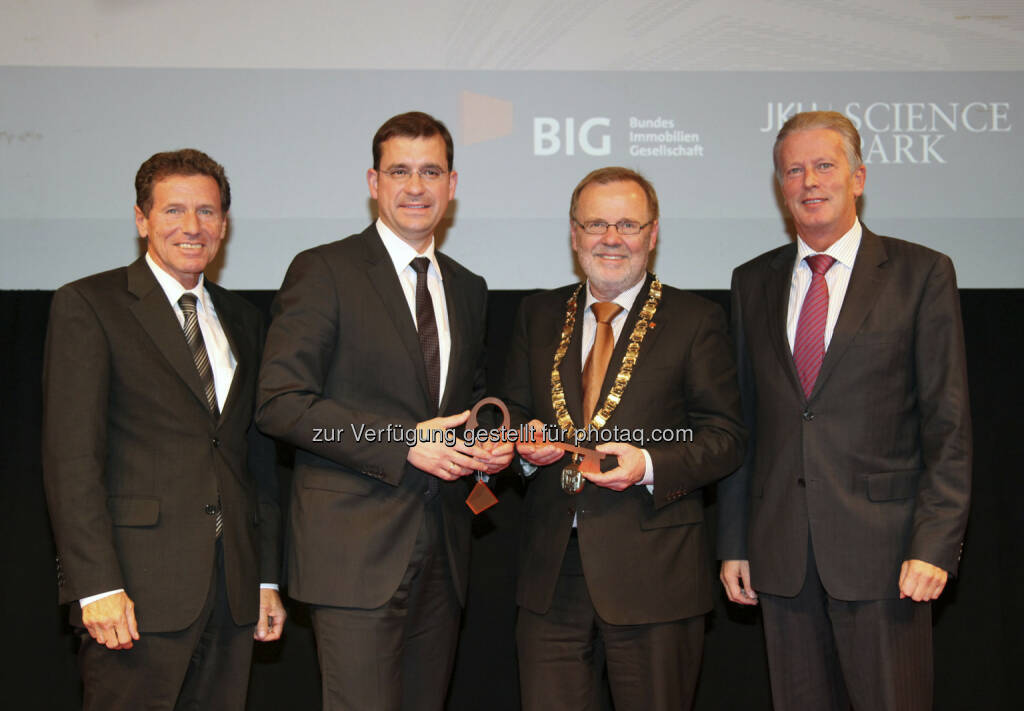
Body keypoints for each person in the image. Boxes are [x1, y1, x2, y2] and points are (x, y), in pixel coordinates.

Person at [256, 111, 513, 711]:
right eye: (400, 170)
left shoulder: (469, 287)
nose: (416, 187)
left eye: (431, 171)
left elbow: (466, 403)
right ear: (373, 182)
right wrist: (401, 442)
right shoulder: (324, 270)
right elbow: (280, 403)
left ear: (453, 185)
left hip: (445, 551)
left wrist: (489, 449)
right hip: (354, 554)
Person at [717, 110, 971, 711]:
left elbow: (948, 424)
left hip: (887, 559)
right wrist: (734, 542)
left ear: (858, 177)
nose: (809, 182)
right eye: (794, 171)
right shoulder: (750, 282)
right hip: (781, 558)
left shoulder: (921, 273)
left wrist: (934, 544)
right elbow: (742, 424)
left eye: (824, 166)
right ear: (780, 187)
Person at [42, 148, 285, 711]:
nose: (192, 226)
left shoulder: (245, 320)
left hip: (232, 593)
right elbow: (70, 460)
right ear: (141, 219)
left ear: (224, 223)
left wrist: (266, 577)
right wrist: (95, 586)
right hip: (133, 593)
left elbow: (257, 464)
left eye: (206, 211)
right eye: (174, 210)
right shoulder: (90, 305)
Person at [501, 166, 746, 710]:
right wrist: (524, 443)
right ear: (573, 234)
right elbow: (515, 411)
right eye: (596, 224)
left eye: (628, 225)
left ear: (653, 234)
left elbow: (726, 436)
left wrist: (649, 462)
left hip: (655, 571)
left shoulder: (696, 319)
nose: (611, 239)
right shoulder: (537, 315)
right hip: (550, 575)